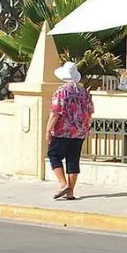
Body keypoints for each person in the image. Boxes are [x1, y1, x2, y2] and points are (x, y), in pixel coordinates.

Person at [46, 61, 93, 201]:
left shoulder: (61, 91)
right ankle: (70, 192)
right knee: (73, 159)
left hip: (63, 130)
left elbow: (55, 112)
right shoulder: (84, 92)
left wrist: (48, 130)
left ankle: (62, 184)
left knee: (53, 155)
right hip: (80, 131)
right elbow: (90, 111)